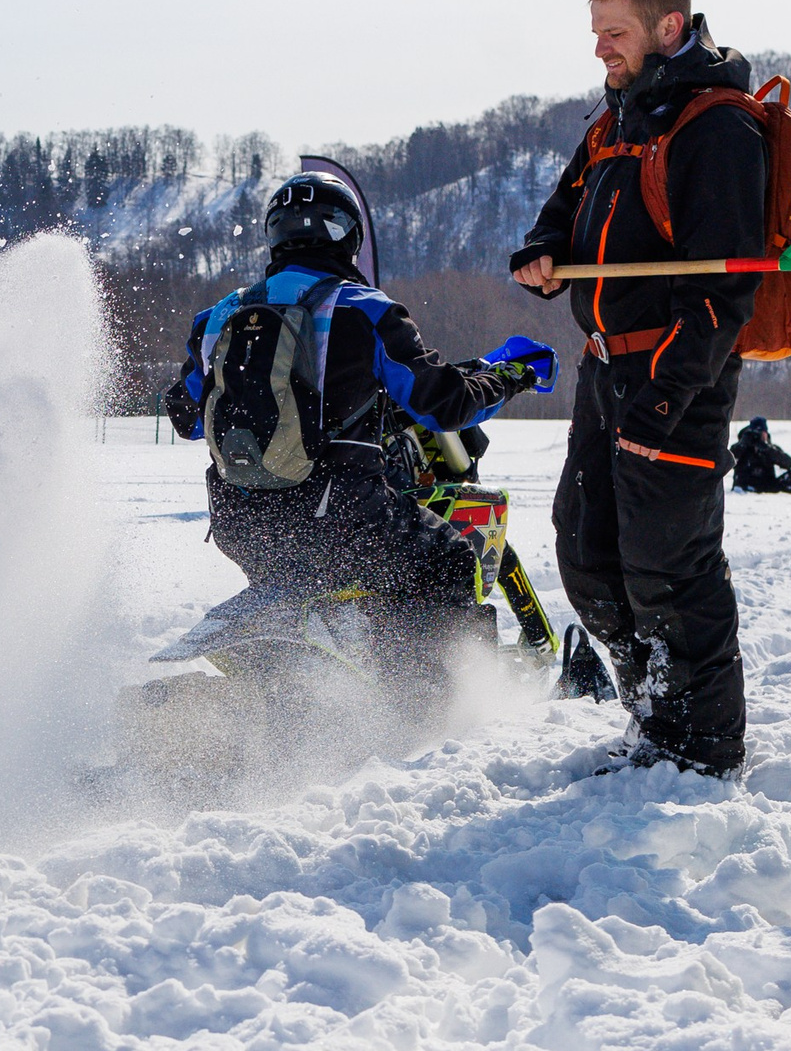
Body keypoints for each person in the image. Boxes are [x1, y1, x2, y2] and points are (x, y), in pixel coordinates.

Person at [510, 0, 766, 774]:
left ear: (666, 28)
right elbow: (566, 203)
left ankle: (705, 748)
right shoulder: (616, 118)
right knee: (586, 551)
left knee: (670, 569)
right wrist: (546, 249)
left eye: (613, 34)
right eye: (594, 35)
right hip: (603, 372)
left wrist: (665, 399)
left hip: (674, 379)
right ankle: (656, 714)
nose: (600, 52)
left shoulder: (716, 126)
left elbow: (724, 294)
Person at [167, 169, 555, 696]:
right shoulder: (367, 309)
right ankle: (432, 702)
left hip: (243, 525)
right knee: (448, 559)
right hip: (346, 518)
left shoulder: (218, 317)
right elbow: (443, 403)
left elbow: (186, 417)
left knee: (356, 564)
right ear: (348, 234)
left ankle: (334, 684)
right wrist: (512, 375)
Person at [730, 417, 791, 493]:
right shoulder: (741, 448)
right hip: (745, 483)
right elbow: (729, 461)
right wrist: (743, 444)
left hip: (767, 485)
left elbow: (789, 463)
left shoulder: (770, 448)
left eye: (761, 433)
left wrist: (768, 449)